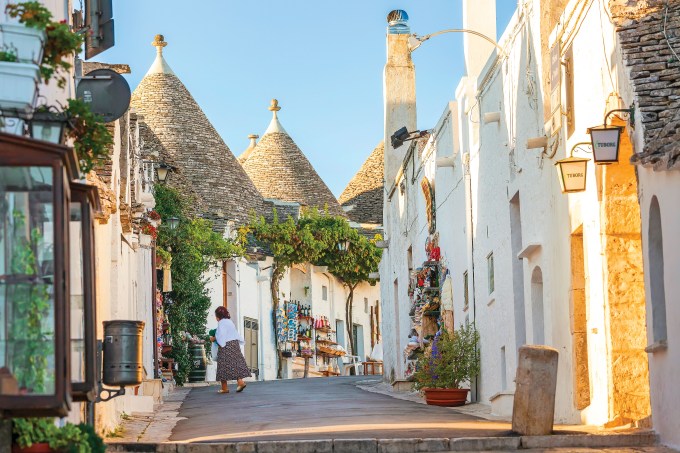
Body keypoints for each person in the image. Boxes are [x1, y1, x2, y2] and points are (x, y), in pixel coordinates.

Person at [209, 306, 251, 394]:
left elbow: (220, 336)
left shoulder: (221, 323)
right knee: (235, 364)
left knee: (222, 365)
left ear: (218, 316)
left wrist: (213, 339)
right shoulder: (230, 322)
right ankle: (240, 382)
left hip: (226, 346)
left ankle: (224, 388)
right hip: (234, 344)